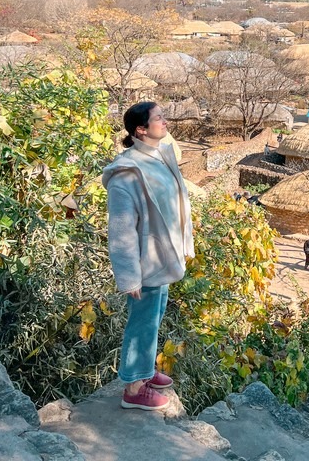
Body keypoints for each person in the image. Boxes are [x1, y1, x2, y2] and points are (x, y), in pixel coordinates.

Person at [103, 101, 194, 411]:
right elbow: (121, 230)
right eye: (159, 118)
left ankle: (144, 369)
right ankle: (133, 386)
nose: (164, 121)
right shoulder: (126, 174)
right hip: (144, 263)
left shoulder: (160, 157)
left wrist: (183, 246)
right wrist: (128, 277)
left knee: (153, 318)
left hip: (162, 256)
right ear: (141, 129)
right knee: (142, 322)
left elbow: (176, 204)